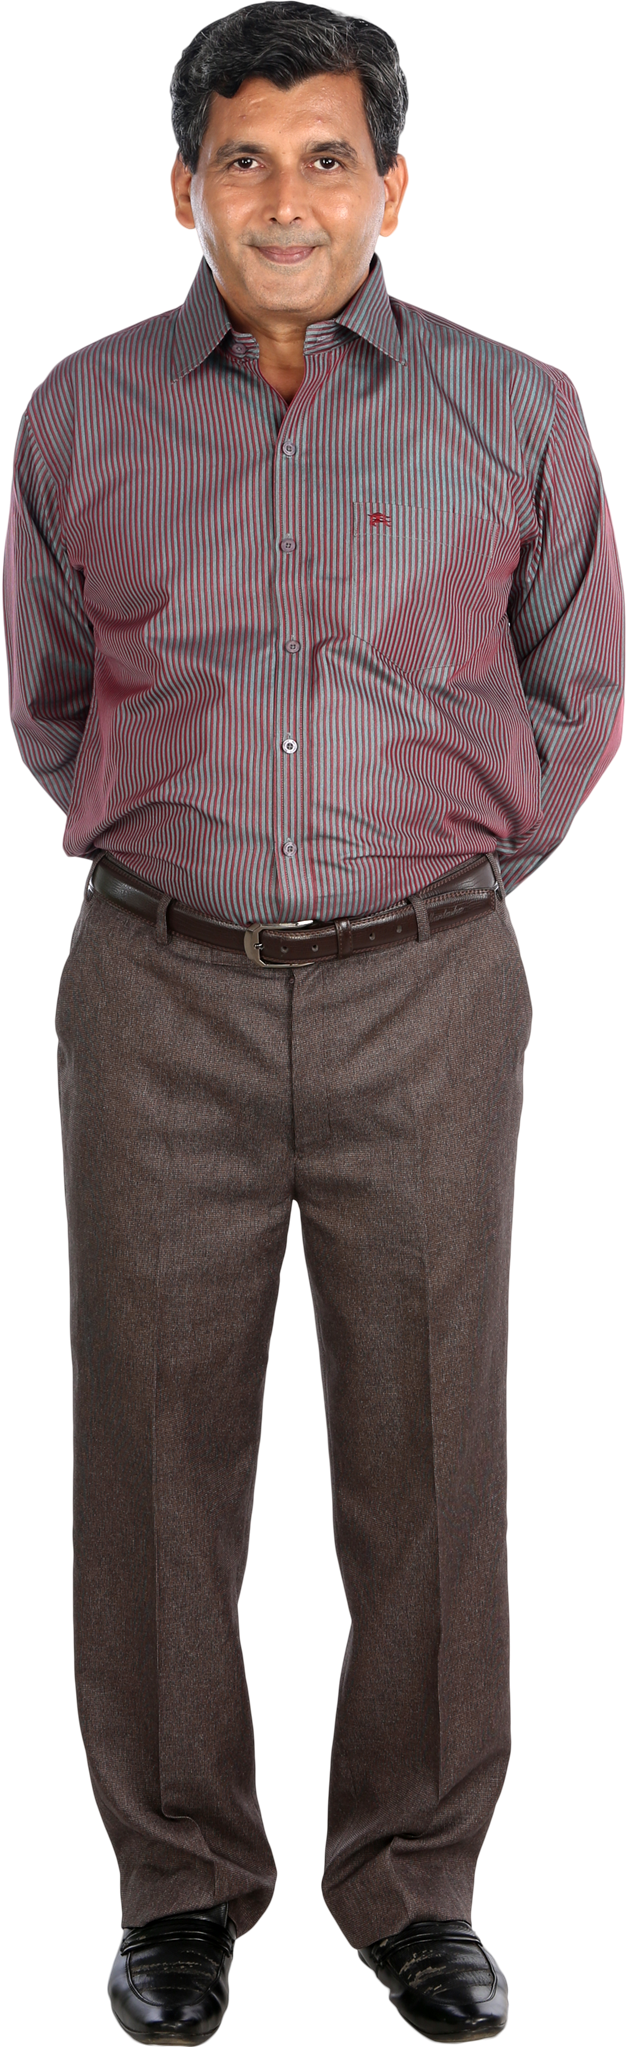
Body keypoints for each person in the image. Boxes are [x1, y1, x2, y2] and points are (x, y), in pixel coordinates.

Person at [4, 3, 624, 2041]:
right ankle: (177, 1888)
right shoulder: (83, 410)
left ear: (394, 189)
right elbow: (52, 700)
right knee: (153, 1455)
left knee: (429, 1447)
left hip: (428, 991)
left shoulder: (513, 408)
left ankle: (414, 1884)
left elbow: (577, 692)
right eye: (245, 160)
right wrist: (185, 857)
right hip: (154, 992)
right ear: (182, 187)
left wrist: (440, 875)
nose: (288, 199)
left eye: (327, 158)